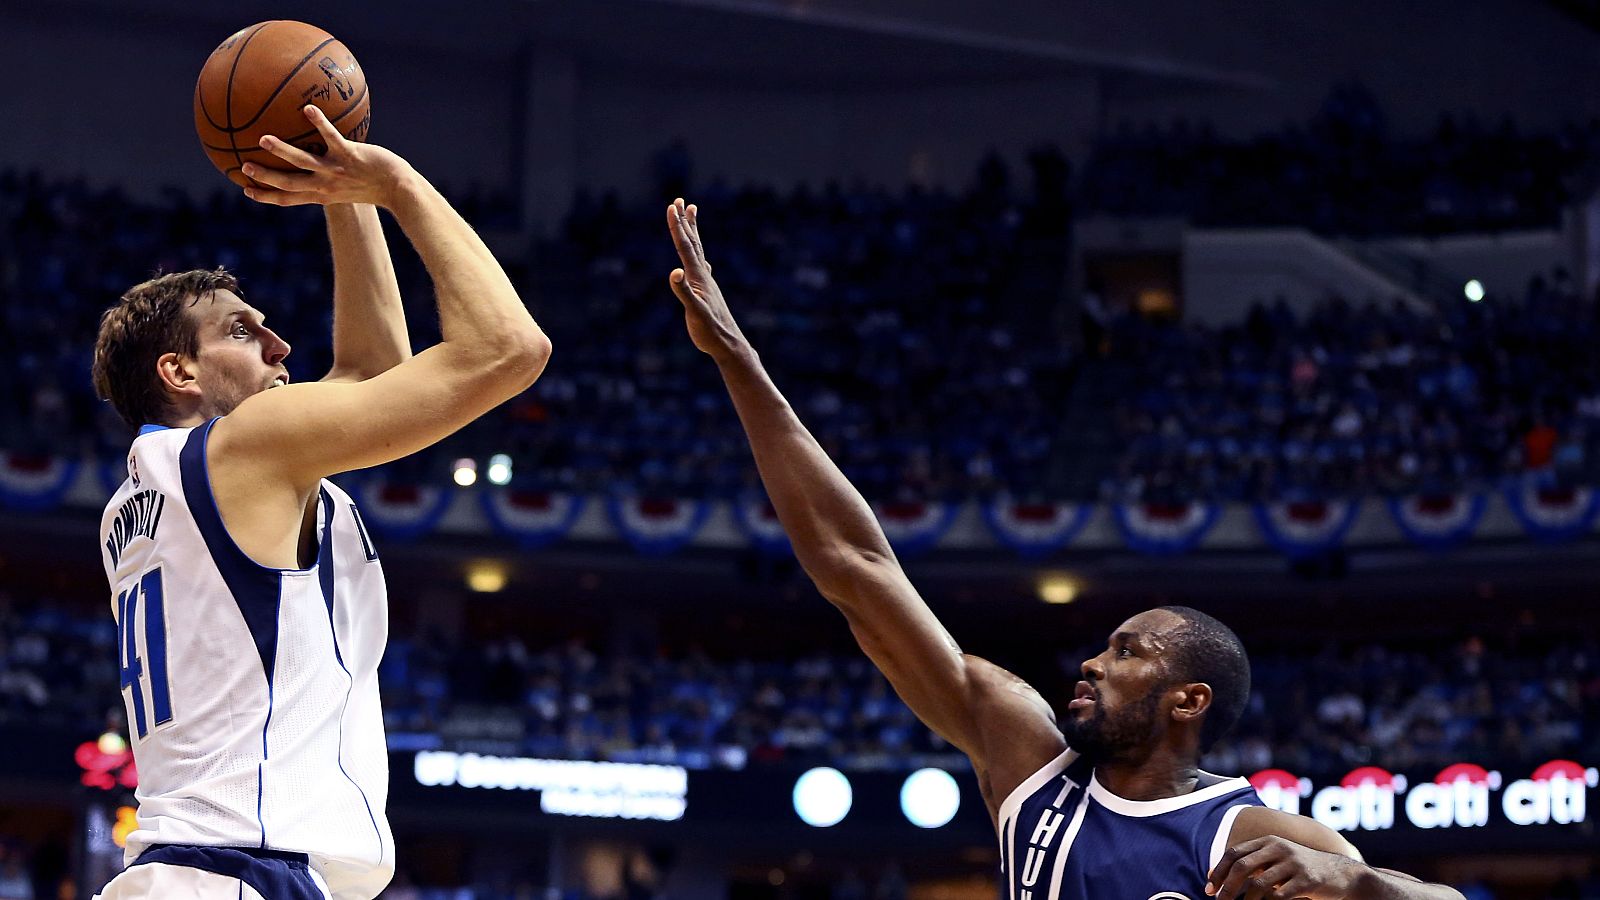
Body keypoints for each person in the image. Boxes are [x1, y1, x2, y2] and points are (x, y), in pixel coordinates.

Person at [663, 198, 1462, 900]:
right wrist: (739, 360)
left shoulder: (1245, 835)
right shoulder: (1027, 758)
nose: (1092, 663)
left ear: (1189, 700)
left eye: (1128, 653)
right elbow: (855, 567)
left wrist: (1357, 882)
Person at [90, 106, 551, 900]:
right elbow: (510, 350)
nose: (280, 347)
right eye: (241, 331)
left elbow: (369, 375)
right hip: (236, 870)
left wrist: (341, 187)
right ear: (180, 373)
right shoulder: (245, 449)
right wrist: (396, 183)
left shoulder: (145, 494)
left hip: (198, 869)